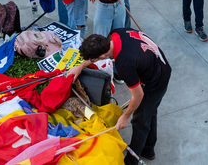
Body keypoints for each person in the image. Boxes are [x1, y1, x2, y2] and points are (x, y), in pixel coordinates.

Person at [73, 29, 170, 165]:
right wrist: (81, 66)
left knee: (140, 121)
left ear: (102, 56)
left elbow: (138, 95)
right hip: (159, 65)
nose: (92, 61)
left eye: (93, 59)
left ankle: (132, 161)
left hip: (156, 82)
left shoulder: (124, 63)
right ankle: (148, 150)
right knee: (149, 111)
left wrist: (125, 116)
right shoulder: (116, 34)